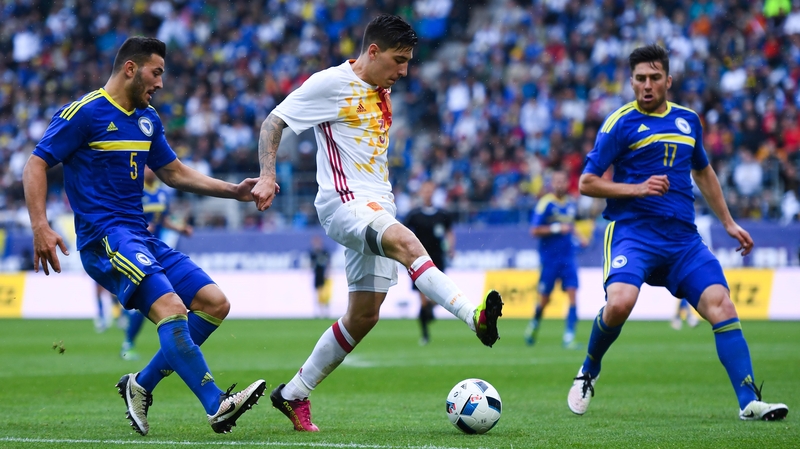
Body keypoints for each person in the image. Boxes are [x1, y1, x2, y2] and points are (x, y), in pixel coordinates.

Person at [251, 14, 503, 432]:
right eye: (399, 60)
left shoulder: (380, 87)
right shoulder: (330, 84)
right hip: (343, 204)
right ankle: (472, 314)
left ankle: (293, 393)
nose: (404, 71)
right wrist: (267, 174)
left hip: (376, 204)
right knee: (408, 244)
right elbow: (273, 122)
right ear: (373, 51)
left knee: (364, 316)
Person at [23, 36, 269, 435]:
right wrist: (41, 225)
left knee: (214, 304)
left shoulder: (147, 119)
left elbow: (173, 172)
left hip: (141, 236)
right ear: (130, 69)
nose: (159, 83)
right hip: (105, 240)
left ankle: (141, 385)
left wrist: (233, 191)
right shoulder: (83, 114)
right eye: (156, 73)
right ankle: (216, 403)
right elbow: (35, 164)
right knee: (171, 309)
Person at [568, 44, 788, 421]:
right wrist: (636, 189)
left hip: (683, 240)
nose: (647, 86)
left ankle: (748, 400)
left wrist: (729, 222)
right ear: (631, 82)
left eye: (655, 78)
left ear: (668, 80)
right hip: (633, 233)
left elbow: (703, 171)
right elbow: (587, 183)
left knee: (722, 304)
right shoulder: (619, 123)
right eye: (640, 79)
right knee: (619, 303)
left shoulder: (689, 121)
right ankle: (589, 368)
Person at [119, 166, 195, 361]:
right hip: (137, 250)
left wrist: (180, 228)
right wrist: (142, 225)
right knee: (150, 298)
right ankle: (128, 340)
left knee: (156, 298)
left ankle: (129, 325)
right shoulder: (135, 190)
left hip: (157, 249)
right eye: (147, 166)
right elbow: (124, 217)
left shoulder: (162, 192)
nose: (151, 170)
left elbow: (165, 220)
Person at [524, 170, 585, 349]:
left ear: (567, 183)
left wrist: (580, 236)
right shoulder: (545, 204)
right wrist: (557, 228)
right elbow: (534, 230)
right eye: (556, 181)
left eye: (562, 181)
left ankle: (569, 336)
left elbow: (571, 226)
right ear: (552, 183)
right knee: (544, 299)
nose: (559, 184)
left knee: (573, 294)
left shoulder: (571, 204)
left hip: (568, 259)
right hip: (550, 260)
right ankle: (534, 324)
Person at [403, 180, 455, 346]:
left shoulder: (441, 214)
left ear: (434, 192)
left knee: (437, 297)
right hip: (418, 260)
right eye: (425, 191)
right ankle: (425, 334)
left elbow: (449, 233)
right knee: (423, 300)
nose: (427, 193)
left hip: (438, 259)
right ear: (421, 193)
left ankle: (429, 312)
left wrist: (451, 249)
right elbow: (402, 232)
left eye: (430, 190)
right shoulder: (414, 214)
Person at [309, 235, 332, 318]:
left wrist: (328, 272)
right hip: (317, 275)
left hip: (324, 275)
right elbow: (311, 264)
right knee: (318, 293)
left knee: (325, 294)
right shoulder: (313, 253)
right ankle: (319, 312)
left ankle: (326, 311)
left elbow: (329, 263)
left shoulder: (324, 252)